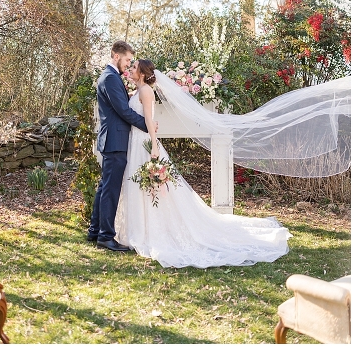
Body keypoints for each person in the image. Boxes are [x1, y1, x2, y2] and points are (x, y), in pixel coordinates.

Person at [114, 59, 292, 268]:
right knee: (139, 188)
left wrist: (154, 146)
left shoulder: (146, 92)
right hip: (135, 143)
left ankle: (150, 232)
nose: (130, 69)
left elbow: (149, 122)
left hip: (144, 143)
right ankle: (139, 229)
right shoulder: (138, 91)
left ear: (142, 73)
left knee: (152, 189)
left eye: (134, 67)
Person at [87, 41, 155, 251]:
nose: (128, 64)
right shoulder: (110, 78)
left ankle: (95, 230)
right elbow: (123, 111)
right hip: (115, 141)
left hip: (114, 140)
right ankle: (106, 236)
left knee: (104, 188)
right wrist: (148, 125)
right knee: (110, 189)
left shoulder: (112, 77)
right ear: (116, 56)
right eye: (127, 60)